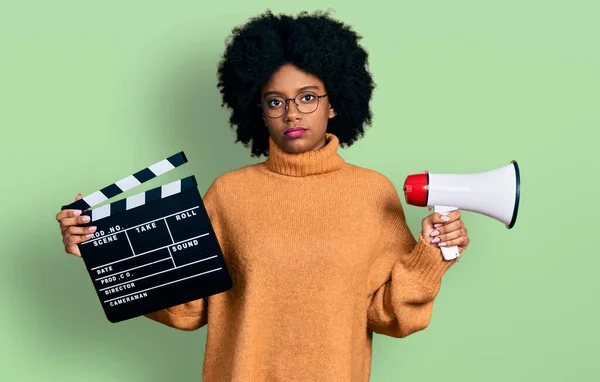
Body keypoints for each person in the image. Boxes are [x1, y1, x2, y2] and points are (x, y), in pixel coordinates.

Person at [55, 9, 470, 381]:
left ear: (335, 104)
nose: (292, 113)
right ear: (258, 111)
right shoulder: (229, 193)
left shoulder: (371, 192)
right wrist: (103, 251)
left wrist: (433, 254)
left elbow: (389, 315)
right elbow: (189, 308)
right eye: (276, 101)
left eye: (308, 97)